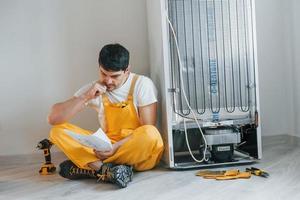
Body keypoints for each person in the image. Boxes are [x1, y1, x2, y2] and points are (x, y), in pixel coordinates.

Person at [47, 43, 164, 188]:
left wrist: (115, 147)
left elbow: (148, 128)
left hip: (135, 152)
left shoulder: (142, 84)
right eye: (103, 74)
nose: (108, 81)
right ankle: (107, 171)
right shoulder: (95, 88)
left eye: (114, 76)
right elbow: (53, 118)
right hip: (105, 150)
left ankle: (91, 168)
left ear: (127, 70)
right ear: (99, 67)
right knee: (57, 131)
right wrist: (86, 97)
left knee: (152, 134)